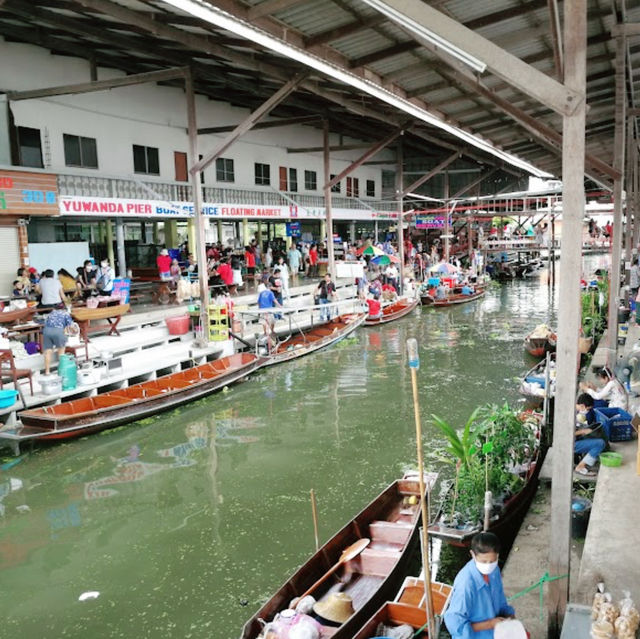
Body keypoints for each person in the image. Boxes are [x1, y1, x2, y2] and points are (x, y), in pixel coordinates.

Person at [444, 532, 518, 639]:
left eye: (492, 561)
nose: (488, 565)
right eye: (484, 561)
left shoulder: (494, 571)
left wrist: (511, 617)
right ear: (473, 554)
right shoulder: (466, 584)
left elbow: (501, 600)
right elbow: (455, 624)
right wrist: (490, 624)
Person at [574, 393, 607, 477]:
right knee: (600, 443)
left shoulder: (576, 412)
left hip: (575, 439)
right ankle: (580, 467)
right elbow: (565, 434)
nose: (587, 411)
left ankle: (588, 459)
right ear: (582, 406)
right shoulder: (571, 415)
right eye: (587, 409)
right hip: (568, 444)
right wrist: (582, 431)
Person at [42, 307, 75, 375]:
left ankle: (47, 372)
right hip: (58, 331)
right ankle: (62, 371)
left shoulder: (52, 313)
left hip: (47, 331)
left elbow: (45, 323)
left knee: (48, 352)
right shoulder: (66, 314)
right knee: (61, 353)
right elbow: (71, 326)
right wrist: (74, 331)